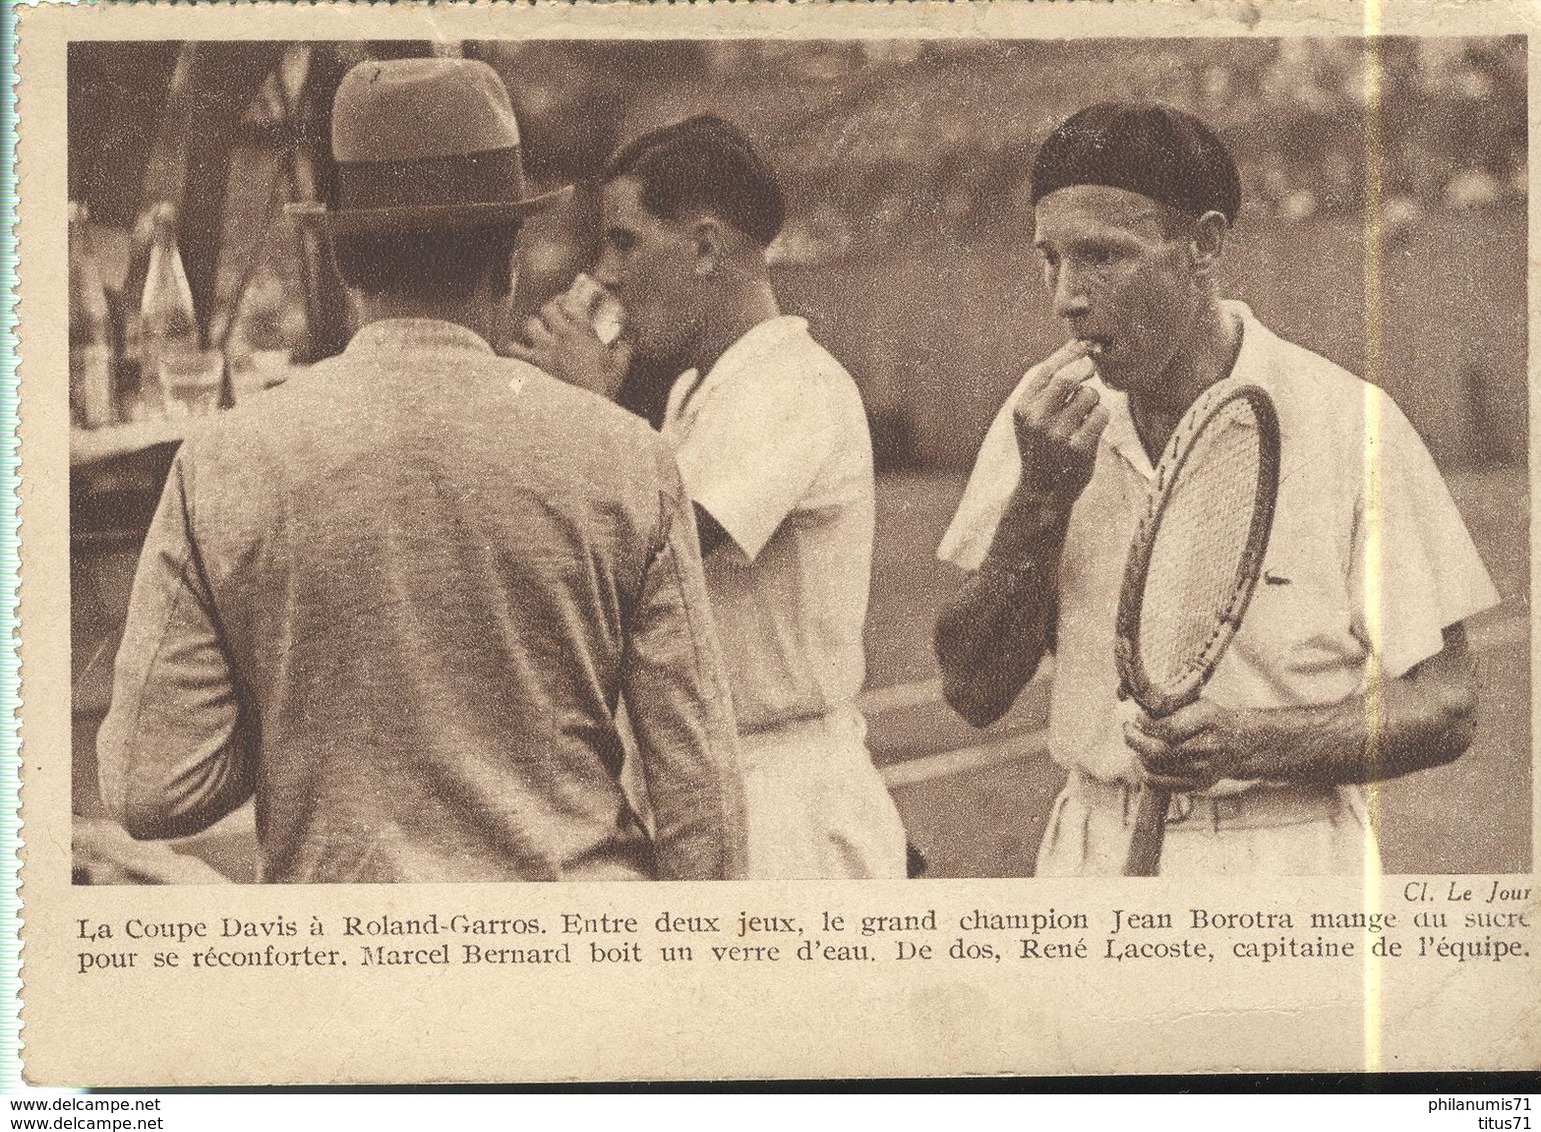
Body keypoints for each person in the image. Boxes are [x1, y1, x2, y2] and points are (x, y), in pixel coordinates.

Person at [98, 59, 748, 884]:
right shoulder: (627, 457)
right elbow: (702, 802)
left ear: (342, 261)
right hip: (577, 970)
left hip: (353, 973)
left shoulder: (226, 461)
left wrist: (303, 706)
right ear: (507, 259)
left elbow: (151, 788)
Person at [933, 102, 1498, 876]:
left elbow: (1444, 705)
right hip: (1088, 849)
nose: (1066, 295)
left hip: (1286, 857)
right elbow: (971, 690)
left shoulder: (1346, 421)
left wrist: (1252, 741)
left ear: (1203, 245)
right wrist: (1039, 498)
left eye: (1102, 255)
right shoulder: (1043, 420)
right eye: (1049, 259)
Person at [513, 115, 908, 879]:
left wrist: (586, 412)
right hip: (705, 781)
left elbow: (656, 563)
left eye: (625, 241)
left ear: (701, 247)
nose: (609, 272)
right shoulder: (701, 389)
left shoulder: (792, 380)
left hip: (780, 800)